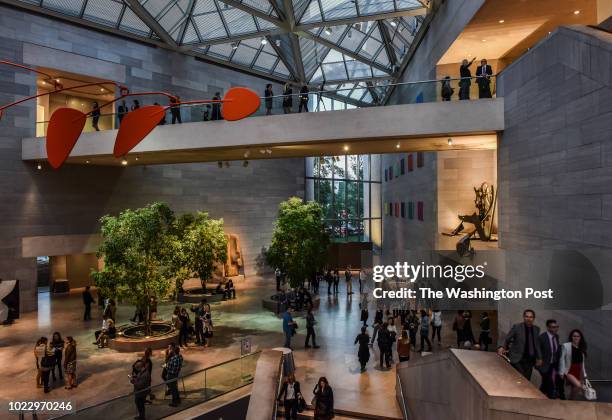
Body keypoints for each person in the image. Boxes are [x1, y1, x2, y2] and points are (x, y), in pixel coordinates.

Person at [497, 309, 542, 380]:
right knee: (520, 377)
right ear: (523, 317)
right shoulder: (517, 327)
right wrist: (501, 347)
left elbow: (537, 344)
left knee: (527, 379)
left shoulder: (537, 329)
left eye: (531, 317)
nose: (528, 319)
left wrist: (539, 357)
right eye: (527, 316)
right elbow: (506, 338)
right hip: (517, 358)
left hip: (529, 360)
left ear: (533, 318)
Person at [537, 319, 564, 399]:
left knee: (546, 383)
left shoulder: (556, 336)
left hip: (554, 363)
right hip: (544, 365)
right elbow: (537, 351)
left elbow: (555, 350)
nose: (555, 329)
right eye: (553, 327)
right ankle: (551, 399)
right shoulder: (542, 337)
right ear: (548, 328)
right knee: (549, 383)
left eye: (556, 327)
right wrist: (538, 363)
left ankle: (539, 396)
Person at [559, 329, 588, 400]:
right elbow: (561, 359)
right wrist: (561, 372)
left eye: (578, 336)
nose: (576, 338)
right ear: (571, 337)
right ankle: (570, 401)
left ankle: (571, 402)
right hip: (569, 370)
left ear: (580, 338)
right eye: (574, 336)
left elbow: (582, 363)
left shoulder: (581, 348)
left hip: (579, 370)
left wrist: (584, 375)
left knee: (575, 388)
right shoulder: (566, 346)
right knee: (578, 386)